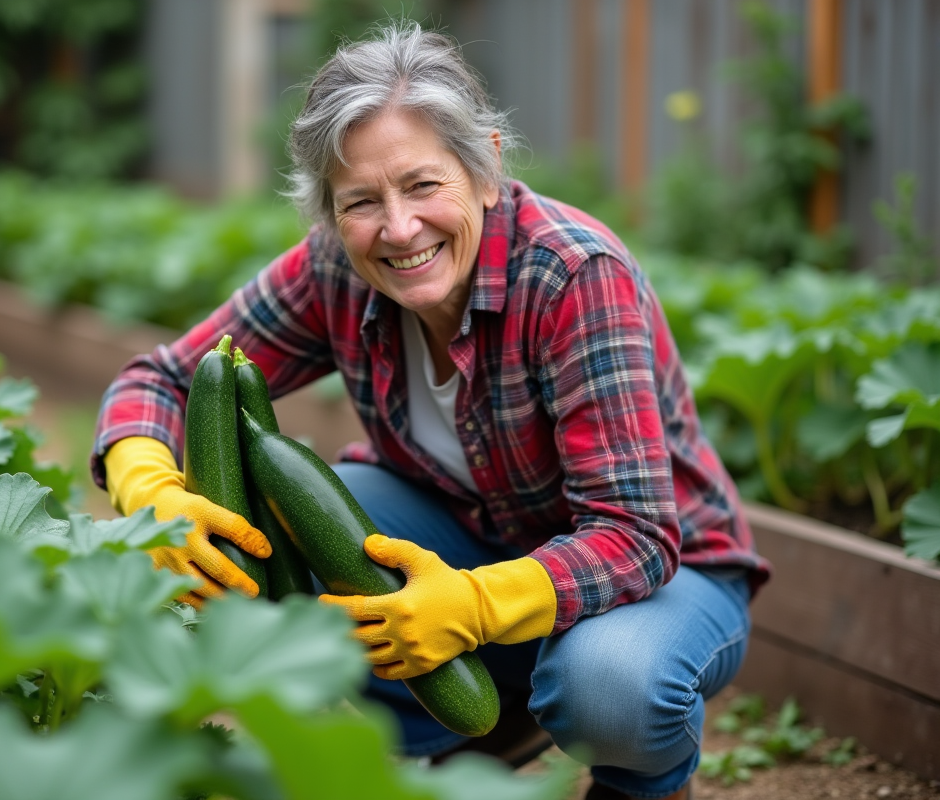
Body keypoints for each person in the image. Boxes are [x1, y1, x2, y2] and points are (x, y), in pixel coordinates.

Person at [93, 20, 770, 800]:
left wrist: (476, 606)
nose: (400, 227)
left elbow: (637, 537)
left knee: (610, 687)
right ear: (328, 212)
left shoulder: (571, 276)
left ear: (484, 168)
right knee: (282, 515)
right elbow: (163, 379)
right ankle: (472, 727)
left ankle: (639, 783)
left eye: (422, 184)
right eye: (362, 201)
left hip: (664, 573)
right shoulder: (335, 269)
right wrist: (150, 489)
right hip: (471, 541)